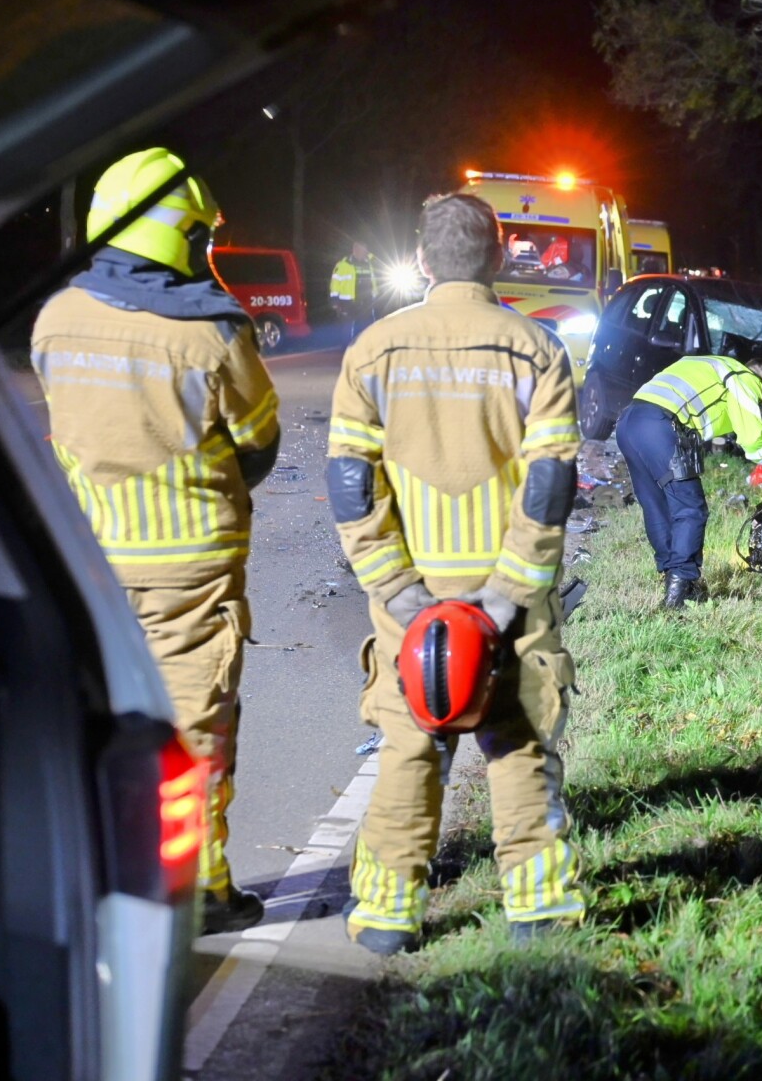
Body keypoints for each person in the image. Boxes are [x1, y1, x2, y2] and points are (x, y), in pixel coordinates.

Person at [327, 193, 585, 953]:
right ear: (499, 257)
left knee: (408, 748)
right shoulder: (536, 349)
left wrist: (398, 592)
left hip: (412, 595)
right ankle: (538, 910)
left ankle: (385, 916)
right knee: (519, 741)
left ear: (424, 262)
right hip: (511, 594)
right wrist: (507, 595)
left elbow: (350, 480)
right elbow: (550, 483)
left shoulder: (372, 350)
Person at [32, 148, 281, 934]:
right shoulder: (213, 331)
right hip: (189, 568)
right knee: (194, 727)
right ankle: (199, 891)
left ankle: (96, 871)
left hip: (87, 562)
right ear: (187, 236)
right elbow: (258, 441)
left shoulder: (54, 315)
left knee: (99, 720)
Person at [618, 354, 762, 608]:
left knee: (656, 504)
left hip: (629, 421)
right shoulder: (745, 378)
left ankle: (673, 577)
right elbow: (751, 440)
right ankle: (680, 589)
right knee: (690, 508)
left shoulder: (712, 366)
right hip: (660, 425)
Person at [330, 240, 376, 340]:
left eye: (366, 250)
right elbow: (335, 284)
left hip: (366, 301)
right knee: (347, 330)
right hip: (348, 302)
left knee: (367, 328)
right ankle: (346, 351)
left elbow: (373, 281)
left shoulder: (369, 263)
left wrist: (375, 296)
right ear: (355, 249)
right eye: (363, 250)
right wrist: (335, 300)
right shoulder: (343, 264)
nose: (365, 252)